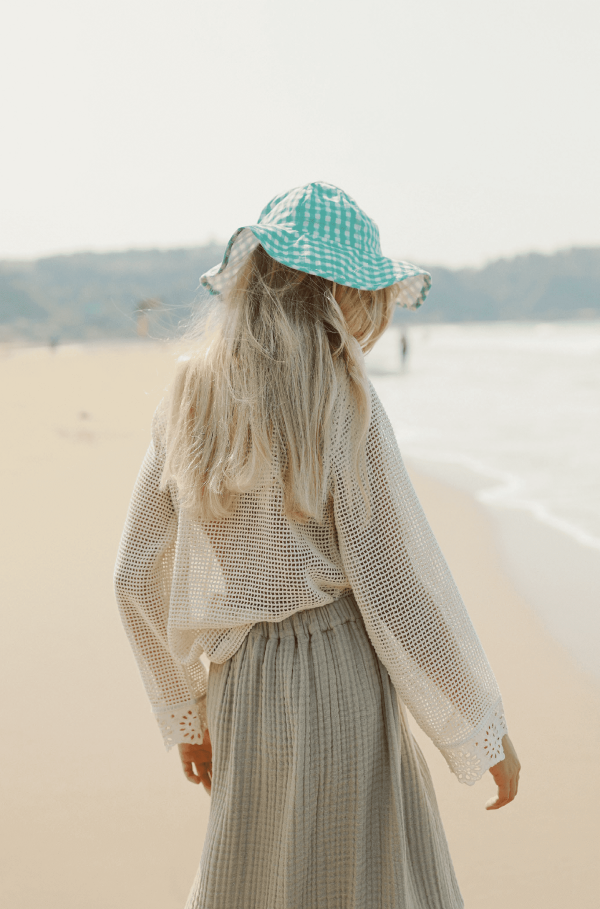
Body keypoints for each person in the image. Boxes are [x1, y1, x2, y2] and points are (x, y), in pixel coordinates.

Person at [114, 182, 520, 909]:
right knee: (365, 880)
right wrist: (480, 725)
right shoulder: (343, 396)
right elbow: (397, 585)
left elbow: (135, 573)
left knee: (254, 875)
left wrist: (186, 712)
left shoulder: (190, 393)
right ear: (339, 290)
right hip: (342, 677)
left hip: (242, 684)